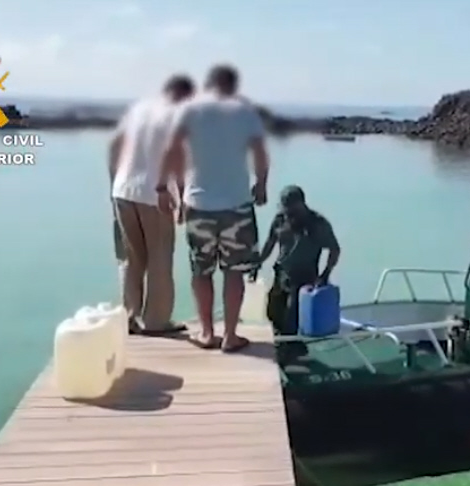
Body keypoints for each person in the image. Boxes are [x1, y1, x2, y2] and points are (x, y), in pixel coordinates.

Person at [159, 64, 269, 352]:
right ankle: (230, 335)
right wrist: (261, 184)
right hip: (237, 205)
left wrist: (163, 188)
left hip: (198, 204)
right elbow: (260, 152)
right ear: (233, 85)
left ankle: (207, 333)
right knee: (234, 272)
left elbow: (171, 149)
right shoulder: (244, 110)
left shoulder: (190, 109)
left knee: (201, 270)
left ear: (208, 84)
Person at [108, 74, 194, 336]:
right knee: (160, 258)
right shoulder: (176, 116)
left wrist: (113, 185)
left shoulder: (139, 109)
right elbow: (177, 158)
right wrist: (181, 197)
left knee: (132, 259)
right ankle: (156, 322)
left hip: (123, 189)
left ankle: (130, 317)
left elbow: (114, 147)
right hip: (155, 194)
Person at [257, 185, 341, 365]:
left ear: (302, 204)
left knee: (291, 318)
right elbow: (270, 243)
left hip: (304, 278)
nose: (288, 214)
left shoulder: (317, 224)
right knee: (273, 312)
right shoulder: (280, 220)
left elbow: (334, 249)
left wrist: (325, 274)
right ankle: (285, 346)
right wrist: (258, 262)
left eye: (292, 210)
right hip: (281, 274)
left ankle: (290, 354)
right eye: (285, 209)